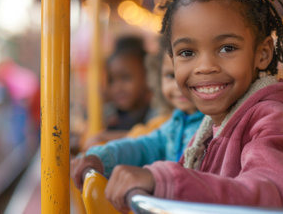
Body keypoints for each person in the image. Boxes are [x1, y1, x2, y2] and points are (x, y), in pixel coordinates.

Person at [103, 0, 283, 213]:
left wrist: (162, 179)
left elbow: (266, 198)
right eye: (187, 53)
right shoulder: (209, 127)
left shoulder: (276, 119)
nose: (205, 67)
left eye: (227, 48)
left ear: (263, 53)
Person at [71, 44, 204, 190]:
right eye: (171, 76)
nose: (179, 85)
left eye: (192, 74)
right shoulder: (176, 122)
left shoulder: (211, 126)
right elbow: (144, 146)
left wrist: (157, 179)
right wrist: (100, 158)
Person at [83, 35, 156, 147]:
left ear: (147, 77)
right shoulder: (111, 114)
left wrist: (106, 137)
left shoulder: (156, 112)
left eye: (125, 78)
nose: (117, 88)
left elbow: (155, 138)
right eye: (111, 80)